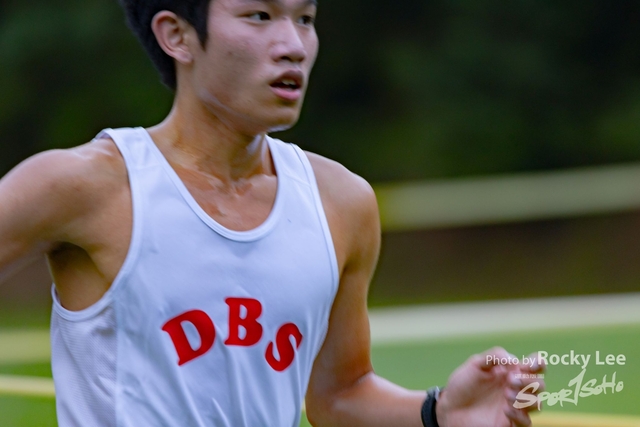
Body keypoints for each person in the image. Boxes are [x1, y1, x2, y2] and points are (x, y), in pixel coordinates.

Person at [0, 0, 544, 425]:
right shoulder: (83, 185)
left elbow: (339, 395)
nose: (293, 46)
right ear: (177, 35)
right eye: (259, 16)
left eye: (305, 19)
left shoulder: (342, 202)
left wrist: (439, 411)